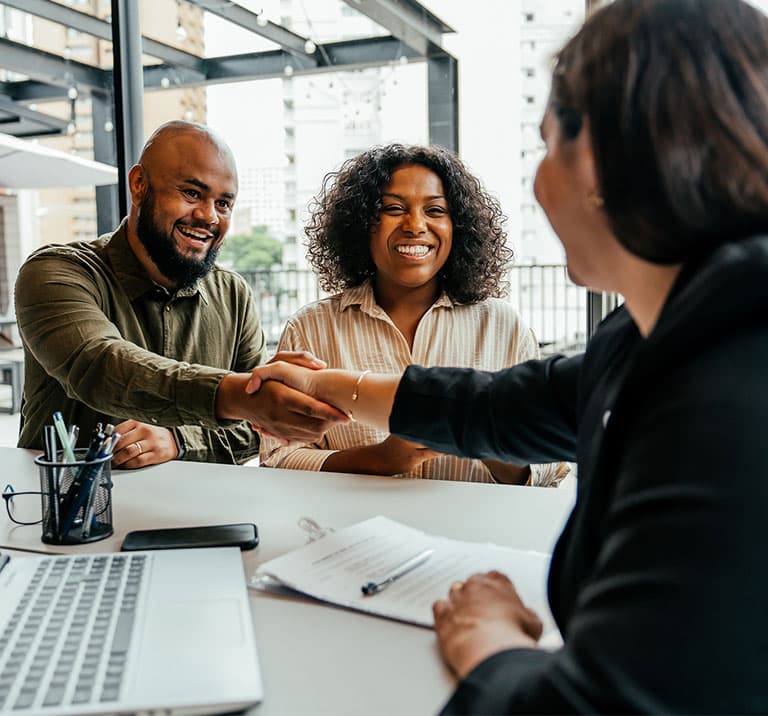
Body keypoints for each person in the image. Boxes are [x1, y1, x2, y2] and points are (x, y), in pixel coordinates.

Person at [245, 0, 768, 710]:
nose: (537, 181)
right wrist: (337, 386)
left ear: (608, 161)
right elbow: (507, 404)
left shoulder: (729, 397)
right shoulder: (660, 333)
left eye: (548, 143)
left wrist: (489, 642)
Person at [15, 120, 345, 467]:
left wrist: (180, 439)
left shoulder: (233, 294)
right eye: (191, 193)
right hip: (72, 510)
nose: (208, 216)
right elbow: (100, 367)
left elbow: (257, 430)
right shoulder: (56, 272)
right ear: (139, 184)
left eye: (224, 204)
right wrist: (238, 396)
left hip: (200, 514)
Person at [260, 143, 568, 485]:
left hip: (476, 534)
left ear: (458, 227)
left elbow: (549, 467)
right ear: (362, 223)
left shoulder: (503, 326)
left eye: (435, 210)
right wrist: (377, 460)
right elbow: (278, 458)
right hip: (349, 532)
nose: (415, 225)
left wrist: (483, 435)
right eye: (393, 208)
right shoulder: (311, 328)